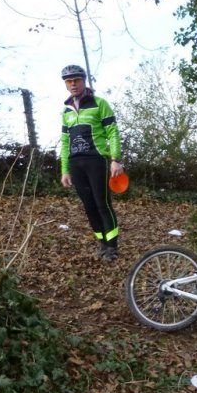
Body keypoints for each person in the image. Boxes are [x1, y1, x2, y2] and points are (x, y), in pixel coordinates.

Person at [58, 64, 124, 262]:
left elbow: (113, 132)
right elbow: (64, 142)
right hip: (75, 164)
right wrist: (65, 170)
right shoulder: (66, 111)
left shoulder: (99, 103)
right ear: (65, 85)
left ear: (84, 81)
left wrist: (115, 159)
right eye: (69, 81)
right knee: (88, 206)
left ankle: (112, 246)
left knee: (102, 203)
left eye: (76, 80)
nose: (73, 84)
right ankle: (102, 242)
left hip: (96, 160)